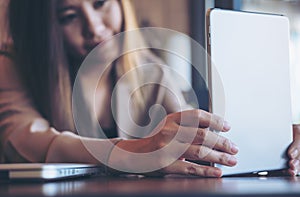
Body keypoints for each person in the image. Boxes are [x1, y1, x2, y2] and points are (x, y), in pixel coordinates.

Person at [0, 0, 297, 177]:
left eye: (100, 2)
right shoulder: (12, 65)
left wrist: (275, 141)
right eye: (68, 17)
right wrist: (132, 152)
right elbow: (25, 142)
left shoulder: (151, 71)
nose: (93, 27)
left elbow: (192, 142)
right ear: (42, 29)